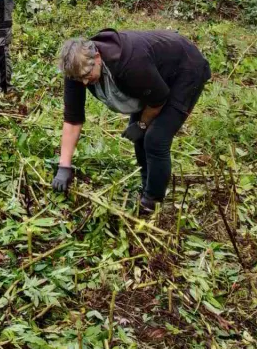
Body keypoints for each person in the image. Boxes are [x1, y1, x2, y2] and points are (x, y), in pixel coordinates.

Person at [54, 28, 211, 216]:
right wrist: (64, 166)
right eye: (80, 79)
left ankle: (152, 202)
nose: (85, 83)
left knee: (155, 138)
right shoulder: (77, 68)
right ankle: (147, 188)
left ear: (97, 57)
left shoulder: (130, 64)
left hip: (186, 70)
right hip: (154, 76)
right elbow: (73, 118)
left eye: (88, 76)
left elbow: (158, 99)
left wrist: (142, 124)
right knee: (140, 138)